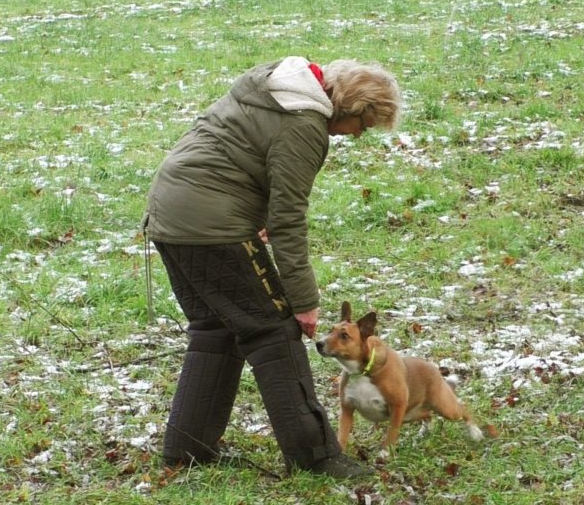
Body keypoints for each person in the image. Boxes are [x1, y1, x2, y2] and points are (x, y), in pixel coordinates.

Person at [143, 56, 400, 478]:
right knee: (274, 329)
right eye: (365, 126)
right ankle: (316, 457)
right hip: (210, 223)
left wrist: (251, 215)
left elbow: (240, 155)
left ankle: (187, 450)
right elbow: (289, 219)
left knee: (218, 326)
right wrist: (304, 302)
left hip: (171, 214)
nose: (357, 136)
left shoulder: (273, 90)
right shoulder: (305, 124)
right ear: (353, 108)